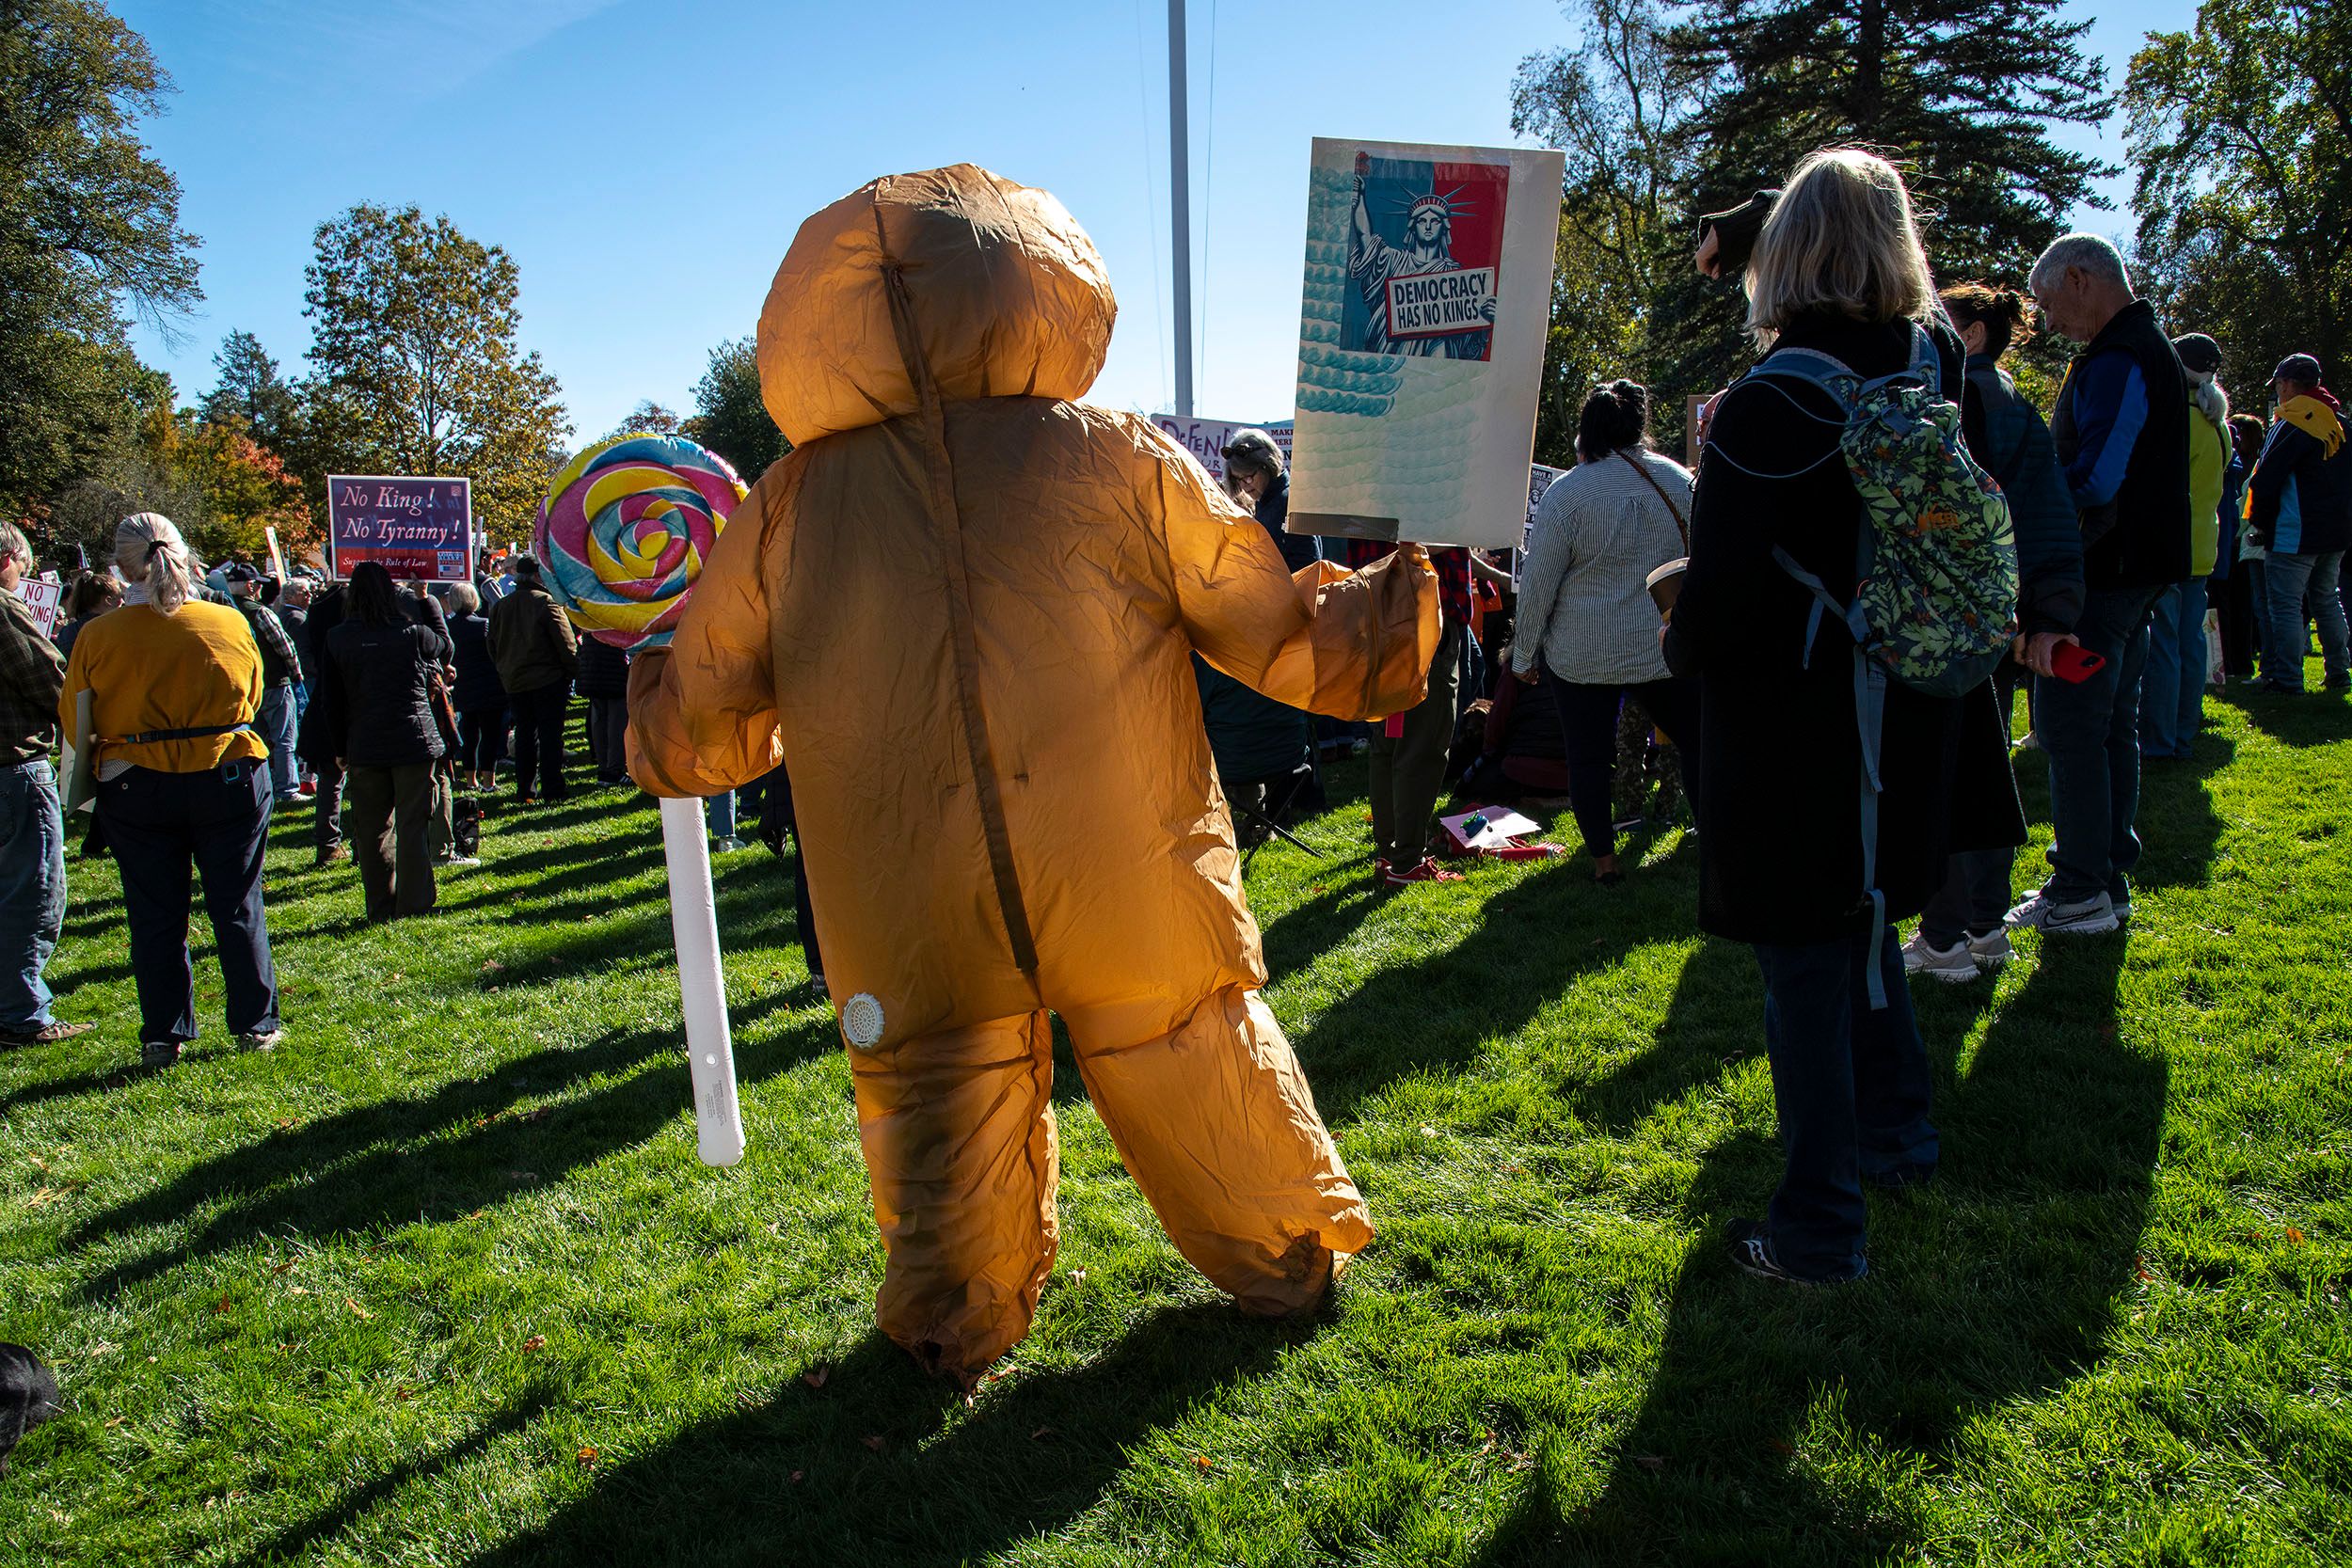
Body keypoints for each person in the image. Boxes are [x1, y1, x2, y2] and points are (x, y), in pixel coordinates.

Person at [628, 165, 1438, 1382]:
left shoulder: (790, 509)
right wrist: (1386, 614)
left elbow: (708, 722)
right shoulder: (1115, 456)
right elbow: (1267, 622)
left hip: (909, 889)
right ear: (1030, 284)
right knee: (1191, 1042)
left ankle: (953, 1309)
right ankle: (1284, 1246)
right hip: (1127, 854)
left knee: (937, 1092)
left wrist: (652, 697)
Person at [1663, 149, 2023, 1284]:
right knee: (1862, 932)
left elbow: (1721, 596)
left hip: (1799, 728)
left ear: (1786, 252)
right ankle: (1896, 1137)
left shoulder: (1770, 402)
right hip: (1909, 706)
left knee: (1804, 971)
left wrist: (1676, 645)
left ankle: (1818, 1225)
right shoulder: (1930, 363)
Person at [2008, 233, 2193, 936]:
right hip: (2136, 571)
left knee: (2071, 728)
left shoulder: (2120, 357)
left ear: (2081, 279)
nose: (2048, 322)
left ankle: (2081, 884)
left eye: (2049, 303)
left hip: (2105, 573)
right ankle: (2105, 877)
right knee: (2113, 725)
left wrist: (2026, 491)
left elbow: (2095, 478)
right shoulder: (2144, 347)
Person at [1903, 284, 2085, 981]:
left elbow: (1954, 518)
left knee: (1950, 775)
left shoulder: (1964, 403)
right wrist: (2046, 609)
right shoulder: (2013, 403)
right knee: (1987, 771)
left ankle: (1945, 935)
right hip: (2008, 611)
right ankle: (1984, 924)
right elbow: (2048, 514)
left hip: (1967, 620)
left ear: (1970, 336)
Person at [60, 514, 281, 1069]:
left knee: (154, 911)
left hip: (136, 780)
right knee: (238, 902)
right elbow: (254, 694)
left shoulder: (98, 635)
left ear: (122, 567)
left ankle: (164, 1033)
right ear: (183, 555)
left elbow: (74, 718)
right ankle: (255, 1024)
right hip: (226, 771)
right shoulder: (227, 621)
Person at [1513, 380, 1701, 885]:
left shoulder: (1567, 493)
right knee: (1697, 742)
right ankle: (1713, 840)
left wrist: (1523, 654)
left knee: (1588, 759)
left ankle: (1604, 863)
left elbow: (1538, 583)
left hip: (1583, 653)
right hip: (1662, 646)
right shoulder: (1678, 481)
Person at [318, 562, 452, 921]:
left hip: (366, 743)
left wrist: (340, 749)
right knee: (412, 825)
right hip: (412, 740)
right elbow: (445, 646)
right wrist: (425, 601)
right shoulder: (412, 633)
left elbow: (332, 701)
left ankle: (380, 905)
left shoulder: (339, 638)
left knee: (372, 829)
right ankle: (415, 903)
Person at [0, 523, 89, 1049]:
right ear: (7, 559)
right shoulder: (3, 609)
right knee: (30, 893)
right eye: (23, 566)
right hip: (13, 770)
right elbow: (51, 681)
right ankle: (21, 1013)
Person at [1344, 536, 1469, 885]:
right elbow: (1409, 542)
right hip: (1424, 623)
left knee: (1390, 743)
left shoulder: (1368, 503)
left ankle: (1392, 853)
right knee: (1420, 747)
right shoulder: (1428, 506)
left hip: (1384, 622)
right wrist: (1453, 534)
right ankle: (1406, 862)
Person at [2139, 333, 2231, 757]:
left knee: (2164, 645)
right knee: (2190, 644)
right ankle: (2183, 730)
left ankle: (2159, 738)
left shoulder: (2177, 418)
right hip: (2203, 544)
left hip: (2170, 545)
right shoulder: (2218, 425)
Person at [2249, 353, 2351, 694]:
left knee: (2285, 606)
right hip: (2336, 531)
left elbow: (2266, 479)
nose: (2278, 391)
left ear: (2289, 384)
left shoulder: (2293, 421)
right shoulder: (2339, 421)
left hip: (2296, 531)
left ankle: (2288, 678)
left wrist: (2260, 523)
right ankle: (2339, 670)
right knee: (2327, 599)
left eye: (2278, 384)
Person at [485, 554, 578, 803]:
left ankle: (525, 790)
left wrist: (504, 668)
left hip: (515, 680)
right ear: (537, 576)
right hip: (548, 680)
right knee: (550, 736)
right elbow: (566, 644)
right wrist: (571, 671)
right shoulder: (546, 603)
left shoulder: (502, 606)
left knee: (525, 736)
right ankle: (553, 788)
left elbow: (491, 644)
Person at [223, 563, 304, 806]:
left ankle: (259, 787)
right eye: (257, 584)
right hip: (274, 683)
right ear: (251, 586)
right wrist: (296, 673)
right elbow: (285, 647)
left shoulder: (225, 613)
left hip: (245, 686)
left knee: (255, 740)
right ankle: (287, 788)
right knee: (284, 738)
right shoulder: (260, 612)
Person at [2218, 413, 2268, 681]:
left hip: (2233, 538)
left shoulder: (2233, 464)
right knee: (2245, 605)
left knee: (2225, 602)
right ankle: (2244, 658)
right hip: (2249, 542)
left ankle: (2227, 660)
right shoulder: (2258, 462)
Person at [443, 581, 506, 791]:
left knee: (469, 736)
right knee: (490, 735)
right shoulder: (484, 624)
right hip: (489, 685)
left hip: (462, 686)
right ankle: (489, 781)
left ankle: (470, 780)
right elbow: (497, 652)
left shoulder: (448, 628)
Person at [575, 634, 631, 785]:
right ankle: (614, 769)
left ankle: (604, 768)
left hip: (592, 664)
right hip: (614, 665)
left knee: (599, 718)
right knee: (617, 721)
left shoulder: (590, 621)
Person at [52, 571, 121, 664]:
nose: (122, 602)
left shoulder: (66, 633)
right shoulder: (114, 628)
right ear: (108, 600)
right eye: (120, 597)